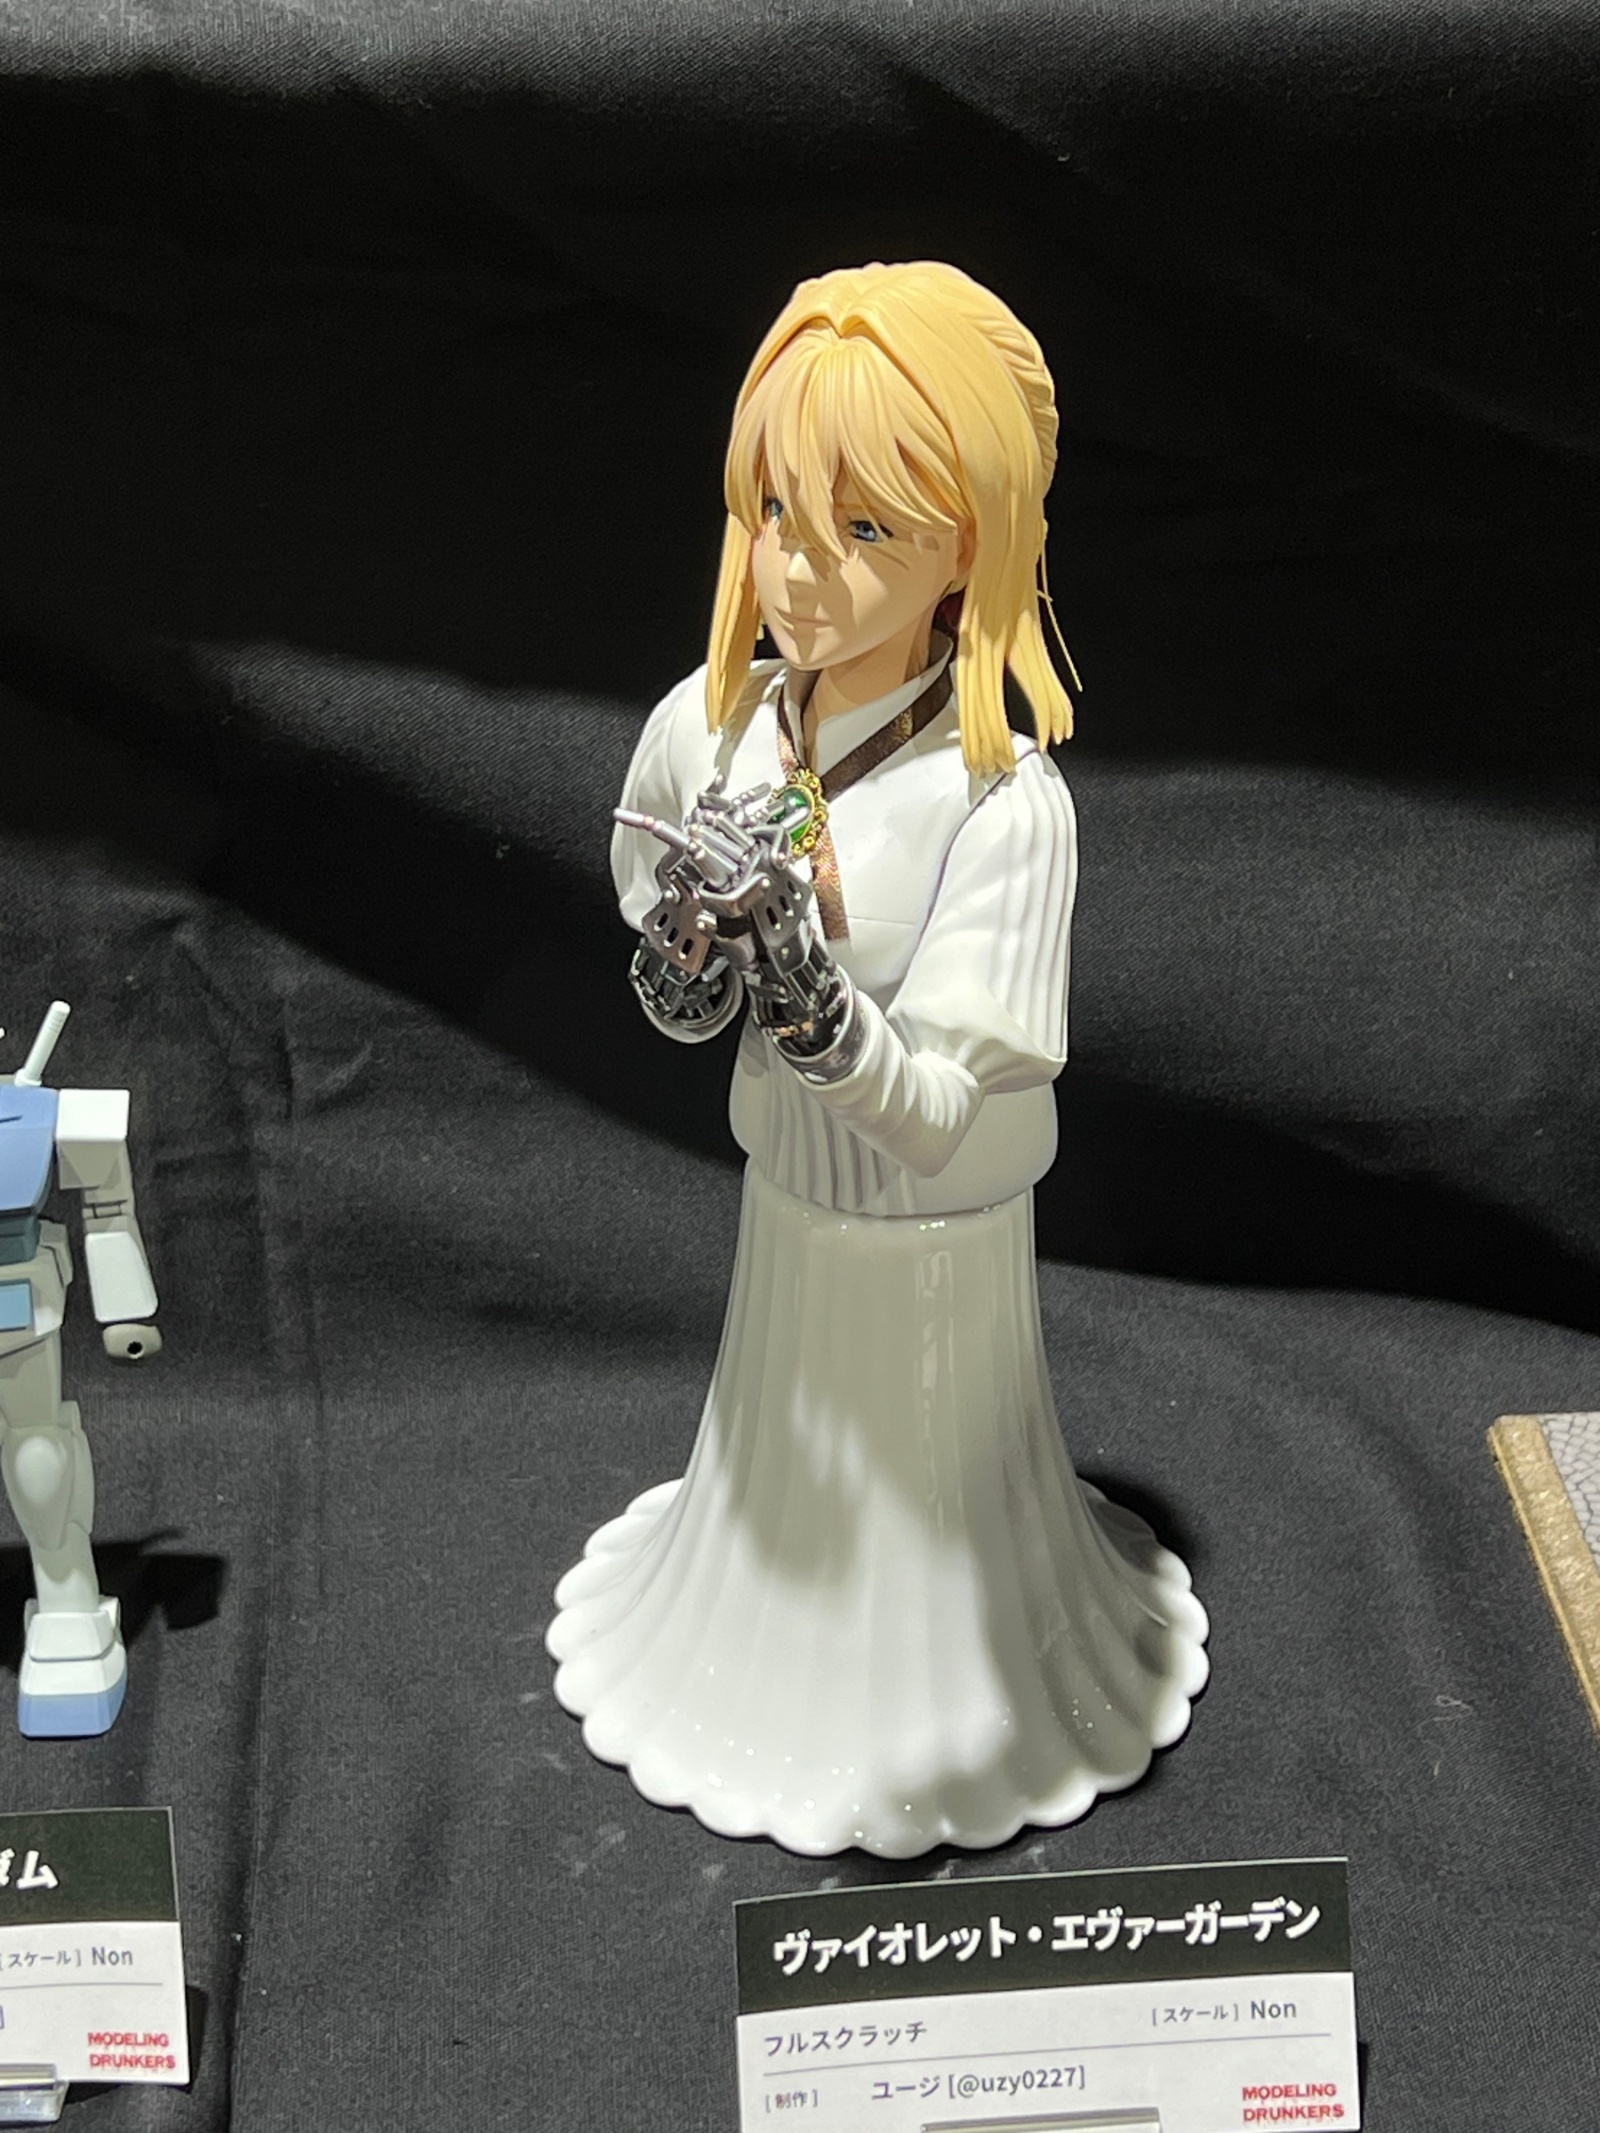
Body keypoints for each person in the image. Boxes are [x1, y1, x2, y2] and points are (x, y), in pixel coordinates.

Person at [547, 262, 1208, 1857]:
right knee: (781, 1489)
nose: (801, 567)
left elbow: (934, 1117)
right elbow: (664, 981)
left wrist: (802, 970)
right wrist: (699, 943)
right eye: (779, 508)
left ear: (972, 541)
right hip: (790, 1214)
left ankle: (964, 1687)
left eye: (866, 528)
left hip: (944, 1247)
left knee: (939, 1516)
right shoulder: (706, 727)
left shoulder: (1002, 806)